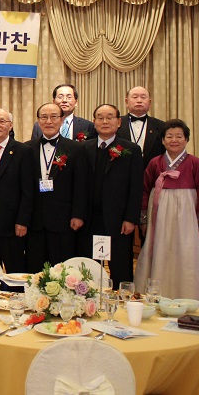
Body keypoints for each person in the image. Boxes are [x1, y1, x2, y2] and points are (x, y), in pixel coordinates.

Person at [134, 119, 199, 314]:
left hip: (186, 218)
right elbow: (145, 191)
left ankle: (188, 296)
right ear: (163, 140)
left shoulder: (195, 163)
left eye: (179, 136)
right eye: (169, 136)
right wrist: (143, 219)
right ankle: (157, 299)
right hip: (159, 216)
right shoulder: (155, 163)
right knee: (160, 252)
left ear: (186, 139)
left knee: (188, 255)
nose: (174, 140)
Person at [80, 104, 142, 286]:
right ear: (94, 122)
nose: (105, 121)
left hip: (118, 221)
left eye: (109, 117)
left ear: (119, 122)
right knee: (88, 270)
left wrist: (130, 218)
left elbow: (136, 187)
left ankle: (121, 301)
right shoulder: (83, 148)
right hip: (89, 220)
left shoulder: (131, 150)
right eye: (100, 117)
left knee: (120, 268)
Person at [25, 103, 89, 270]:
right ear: (38, 121)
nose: (49, 121)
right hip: (35, 220)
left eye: (54, 117)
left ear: (61, 120)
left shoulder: (75, 149)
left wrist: (78, 215)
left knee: (62, 269)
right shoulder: (27, 148)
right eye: (44, 117)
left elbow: (81, 185)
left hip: (63, 220)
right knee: (34, 268)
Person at [0, 108, 34, 273]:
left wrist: (22, 221)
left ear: (10, 125)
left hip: (11, 223)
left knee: (15, 269)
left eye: (2, 121)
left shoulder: (23, 151)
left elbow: (28, 191)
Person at [117, 86, 165, 169]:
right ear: (126, 102)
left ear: (150, 103)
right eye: (135, 97)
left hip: (151, 172)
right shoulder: (116, 123)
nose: (139, 100)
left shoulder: (161, 126)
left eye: (143, 97)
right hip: (122, 171)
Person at [31, 84, 95, 141]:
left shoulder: (88, 126)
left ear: (76, 102)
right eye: (60, 97)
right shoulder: (39, 125)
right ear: (54, 102)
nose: (64, 100)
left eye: (69, 97)